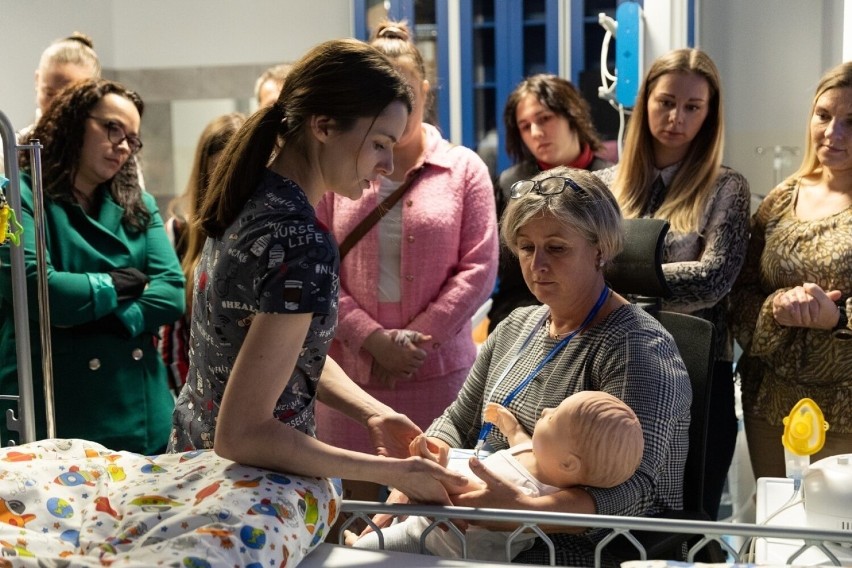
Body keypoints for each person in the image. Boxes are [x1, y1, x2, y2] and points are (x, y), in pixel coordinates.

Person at [167, 38, 468, 506]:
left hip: (195, 474)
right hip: (246, 498)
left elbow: (279, 353)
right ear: (324, 126)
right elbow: (243, 434)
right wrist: (396, 473)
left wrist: (372, 413)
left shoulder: (248, 199)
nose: (387, 164)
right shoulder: (300, 241)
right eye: (380, 144)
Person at [369, 167, 690, 567]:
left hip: (565, 549)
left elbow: (636, 491)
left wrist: (525, 509)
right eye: (525, 248)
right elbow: (457, 421)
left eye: (556, 248)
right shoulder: (517, 326)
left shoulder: (635, 347)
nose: (537, 264)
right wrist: (413, 477)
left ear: (600, 250)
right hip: (468, 531)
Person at [314, 21, 498, 500]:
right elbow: (316, 267)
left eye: (405, 87)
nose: (397, 100)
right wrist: (373, 339)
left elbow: (479, 268)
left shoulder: (463, 169)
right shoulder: (339, 170)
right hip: (352, 375)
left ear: (424, 88)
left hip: (437, 375)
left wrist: (416, 343)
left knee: (438, 511)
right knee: (353, 513)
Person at [595, 48, 750, 521]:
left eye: (692, 107)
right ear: (644, 103)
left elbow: (713, 280)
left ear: (710, 113)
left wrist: (612, 278)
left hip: (697, 372)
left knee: (690, 520)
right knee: (609, 517)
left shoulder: (727, 188)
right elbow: (577, 271)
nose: (676, 117)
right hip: (610, 368)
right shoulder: (602, 186)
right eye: (665, 102)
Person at [0, 79, 185, 454]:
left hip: (140, 409)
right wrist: (122, 284)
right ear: (73, 123)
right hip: (55, 404)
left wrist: (100, 317)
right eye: (112, 128)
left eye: (132, 139)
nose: (122, 145)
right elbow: (39, 290)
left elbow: (172, 293)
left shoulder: (139, 203)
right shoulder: (17, 193)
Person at [730, 61, 852, 482]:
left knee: (837, 540)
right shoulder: (782, 199)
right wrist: (775, 308)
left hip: (846, 411)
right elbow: (740, 292)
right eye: (824, 115)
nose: (832, 133)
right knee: (775, 529)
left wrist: (837, 318)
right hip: (773, 405)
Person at [346, 391, 644, 561]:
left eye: (554, 417)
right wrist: (508, 424)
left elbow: (463, 496)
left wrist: (436, 466)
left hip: (443, 548)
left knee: (365, 554)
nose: (544, 410)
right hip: (430, 526)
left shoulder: (528, 494)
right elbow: (519, 440)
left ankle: (353, 547)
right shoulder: (539, 455)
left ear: (567, 464)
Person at [488, 74, 612, 332]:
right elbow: (509, 281)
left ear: (572, 116)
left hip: (597, 315)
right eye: (525, 126)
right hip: (523, 314)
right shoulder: (512, 185)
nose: (536, 133)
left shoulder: (610, 180)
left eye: (545, 118)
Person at [159, 112, 246, 394]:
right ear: (205, 175)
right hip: (199, 400)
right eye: (220, 174)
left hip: (263, 401)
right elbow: (170, 341)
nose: (231, 187)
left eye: (241, 173)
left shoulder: (270, 236)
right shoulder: (180, 233)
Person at [0, 32, 100, 175]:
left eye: (70, 98)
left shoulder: (108, 151)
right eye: (50, 93)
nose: (56, 107)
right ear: (37, 80)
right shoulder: (8, 149)